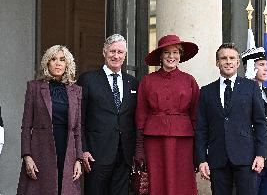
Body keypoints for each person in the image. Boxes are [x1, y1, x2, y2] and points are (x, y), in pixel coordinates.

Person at [195, 43, 267, 195]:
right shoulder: (206, 91)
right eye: (223, 58)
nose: (228, 61)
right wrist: (201, 159)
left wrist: (261, 155)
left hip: (246, 158)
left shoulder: (251, 87)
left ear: (237, 62)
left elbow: (261, 124)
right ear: (217, 63)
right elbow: (201, 129)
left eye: (232, 58)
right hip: (217, 159)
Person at [135, 34, 200, 195]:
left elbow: (196, 115)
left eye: (175, 52)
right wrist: (139, 148)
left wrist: (199, 149)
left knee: (182, 182)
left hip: (184, 140)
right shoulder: (147, 81)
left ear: (180, 55)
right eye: (166, 52)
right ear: (160, 56)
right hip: (154, 140)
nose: (171, 56)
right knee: (157, 180)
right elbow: (141, 115)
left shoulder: (189, 80)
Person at [17, 45, 83, 195]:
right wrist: (27, 156)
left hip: (67, 151)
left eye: (62, 60)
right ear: (47, 63)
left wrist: (78, 158)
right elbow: (26, 126)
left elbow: (77, 128)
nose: (58, 63)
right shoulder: (34, 87)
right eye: (53, 59)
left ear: (67, 64)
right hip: (40, 152)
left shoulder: (76, 91)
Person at [77, 34, 138, 195]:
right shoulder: (87, 80)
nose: (116, 56)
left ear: (125, 55)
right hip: (96, 154)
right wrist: (82, 149)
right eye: (112, 51)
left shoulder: (133, 82)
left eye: (120, 52)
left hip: (124, 154)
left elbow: (135, 119)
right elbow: (78, 118)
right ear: (104, 52)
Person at [241, 47, 267, 195]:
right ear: (250, 67)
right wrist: (248, 83)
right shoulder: (240, 93)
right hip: (251, 159)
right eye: (261, 65)